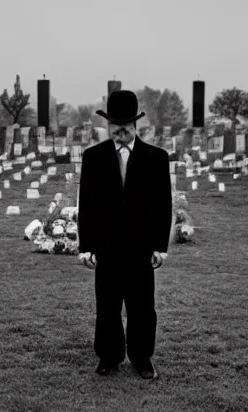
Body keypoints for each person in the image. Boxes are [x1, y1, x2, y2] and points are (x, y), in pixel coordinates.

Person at [77, 90, 172, 379]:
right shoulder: (93, 158)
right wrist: (86, 246)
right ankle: (109, 356)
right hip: (106, 246)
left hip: (141, 246)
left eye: (126, 123)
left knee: (142, 306)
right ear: (108, 125)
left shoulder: (156, 158)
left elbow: (163, 204)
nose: (121, 128)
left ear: (135, 124)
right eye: (115, 123)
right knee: (107, 305)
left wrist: (160, 246)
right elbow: (87, 204)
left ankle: (142, 358)